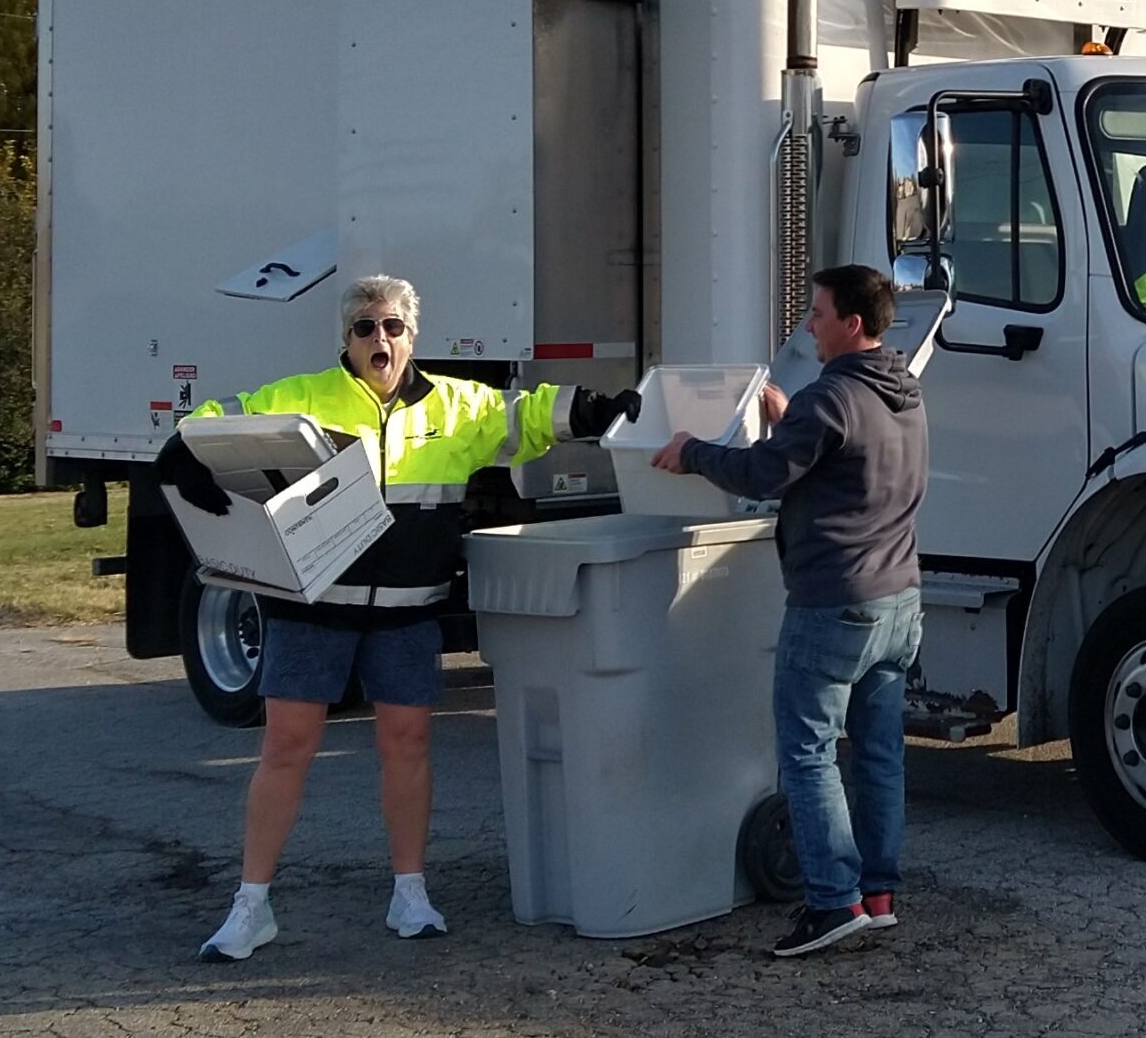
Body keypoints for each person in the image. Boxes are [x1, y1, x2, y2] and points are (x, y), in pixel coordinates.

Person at [156, 275, 638, 962]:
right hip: (311, 609)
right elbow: (213, 420)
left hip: (409, 613)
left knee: (407, 746)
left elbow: (529, 415)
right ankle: (250, 906)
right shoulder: (300, 398)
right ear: (345, 340)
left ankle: (410, 894)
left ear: (412, 335)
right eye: (364, 328)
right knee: (285, 748)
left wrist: (595, 408)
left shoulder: (458, 406)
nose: (378, 339)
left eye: (391, 327)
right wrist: (188, 447)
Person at [649, 265, 928, 958]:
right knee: (878, 752)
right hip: (900, 600)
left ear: (851, 324)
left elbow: (763, 476)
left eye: (818, 313)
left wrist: (694, 453)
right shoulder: (902, 390)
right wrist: (786, 421)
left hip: (834, 600)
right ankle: (878, 893)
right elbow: (836, 457)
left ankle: (833, 902)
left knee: (807, 753)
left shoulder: (829, 398)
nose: (809, 325)